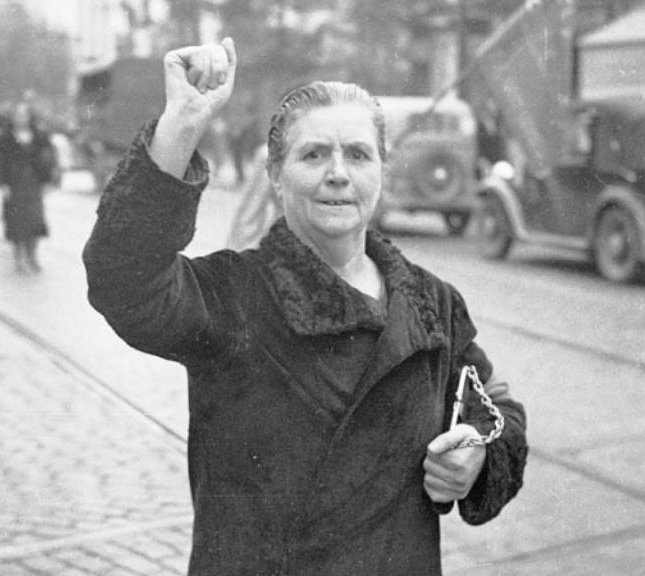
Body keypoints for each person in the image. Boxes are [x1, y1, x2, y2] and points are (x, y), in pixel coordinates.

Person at [83, 39, 527, 575]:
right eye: (313, 155)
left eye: (357, 155)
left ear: (381, 171)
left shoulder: (432, 304)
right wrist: (182, 123)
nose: (338, 173)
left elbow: (497, 409)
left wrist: (478, 456)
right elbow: (122, 279)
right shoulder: (232, 295)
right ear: (275, 174)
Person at [0, 101, 54, 274]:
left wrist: (46, 181)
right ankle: (19, 259)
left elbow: (47, 159)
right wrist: (4, 184)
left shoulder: (39, 136)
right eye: (18, 114)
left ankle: (32, 256)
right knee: (17, 222)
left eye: (24, 114)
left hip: (33, 184)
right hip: (15, 184)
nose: (21, 118)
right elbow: (0, 162)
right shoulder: (6, 138)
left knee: (35, 221)